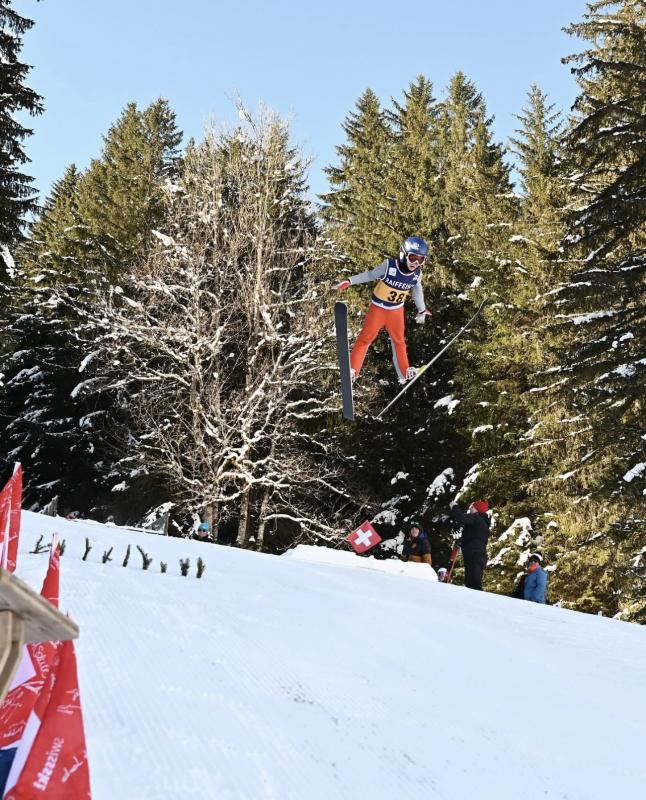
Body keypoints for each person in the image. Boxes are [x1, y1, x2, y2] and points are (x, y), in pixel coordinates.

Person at [333, 236, 433, 382]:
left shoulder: (417, 274)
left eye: (421, 259)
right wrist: (350, 281)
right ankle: (353, 370)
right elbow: (370, 275)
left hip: (396, 312)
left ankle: (405, 373)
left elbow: (417, 291)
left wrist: (422, 309)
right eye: (412, 257)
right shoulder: (389, 266)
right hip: (378, 309)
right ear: (403, 254)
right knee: (365, 339)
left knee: (399, 342)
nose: (416, 263)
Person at [449, 499, 491, 590]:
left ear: (477, 509)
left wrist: (454, 506)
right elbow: (473, 535)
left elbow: (461, 517)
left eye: (472, 507)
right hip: (476, 553)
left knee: (474, 582)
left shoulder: (476, 518)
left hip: (474, 553)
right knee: (471, 582)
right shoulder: (481, 522)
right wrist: (462, 541)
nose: (470, 508)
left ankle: (477, 601)